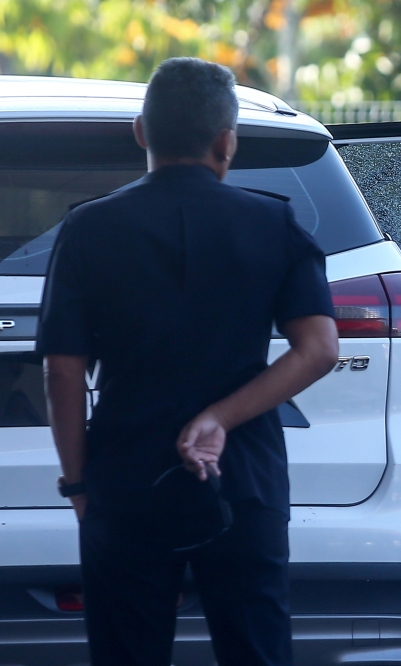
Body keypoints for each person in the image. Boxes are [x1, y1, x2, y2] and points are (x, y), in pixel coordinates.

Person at [38, 58, 340, 666]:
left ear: (141, 133)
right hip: (243, 478)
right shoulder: (273, 222)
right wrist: (220, 419)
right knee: (256, 651)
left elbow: (62, 371)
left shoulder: (88, 229)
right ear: (227, 142)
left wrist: (79, 486)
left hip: (126, 481)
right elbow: (319, 349)